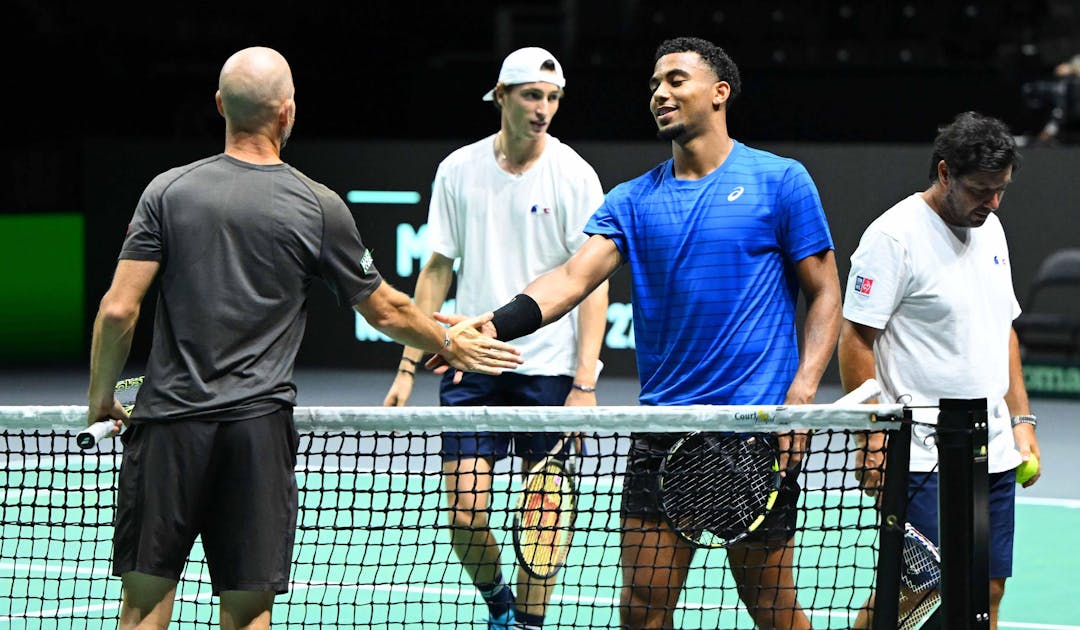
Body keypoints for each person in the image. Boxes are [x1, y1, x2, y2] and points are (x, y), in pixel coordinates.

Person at [85, 46, 520, 630]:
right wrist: (449, 340)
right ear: (288, 113)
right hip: (256, 435)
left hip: (167, 427)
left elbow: (117, 312)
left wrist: (100, 400)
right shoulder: (318, 206)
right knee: (247, 612)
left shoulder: (166, 191)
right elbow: (387, 309)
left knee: (142, 606)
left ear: (220, 106)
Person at [439, 36, 841, 629]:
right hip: (662, 434)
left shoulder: (780, 181)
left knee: (772, 608)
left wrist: (803, 391)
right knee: (643, 609)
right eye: (655, 84)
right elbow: (570, 279)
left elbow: (826, 291)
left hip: (753, 431)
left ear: (720, 93)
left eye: (676, 80)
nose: (660, 93)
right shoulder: (633, 200)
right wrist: (492, 324)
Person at [382, 46, 608, 630]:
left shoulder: (576, 174)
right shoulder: (458, 170)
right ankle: (500, 606)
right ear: (501, 95)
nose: (544, 108)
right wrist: (408, 368)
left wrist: (585, 382)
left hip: (550, 371)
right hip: (472, 366)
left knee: (545, 517)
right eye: (533, 95)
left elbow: (591, 284)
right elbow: (436, 272)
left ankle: (529, 624)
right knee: (465, 516)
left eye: (553, 98)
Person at [838, 111, 1042, 629]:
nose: (993, 203)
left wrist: (1022, 423)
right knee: (917, 588)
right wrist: (873, 437)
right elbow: (856, 338)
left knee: (988, 589)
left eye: (1001, 190)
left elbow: (1005, 331)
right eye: (981, 190)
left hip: (989, 444)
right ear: (945, 172)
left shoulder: (991, 228)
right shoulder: (893, 237)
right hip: (922, 451)